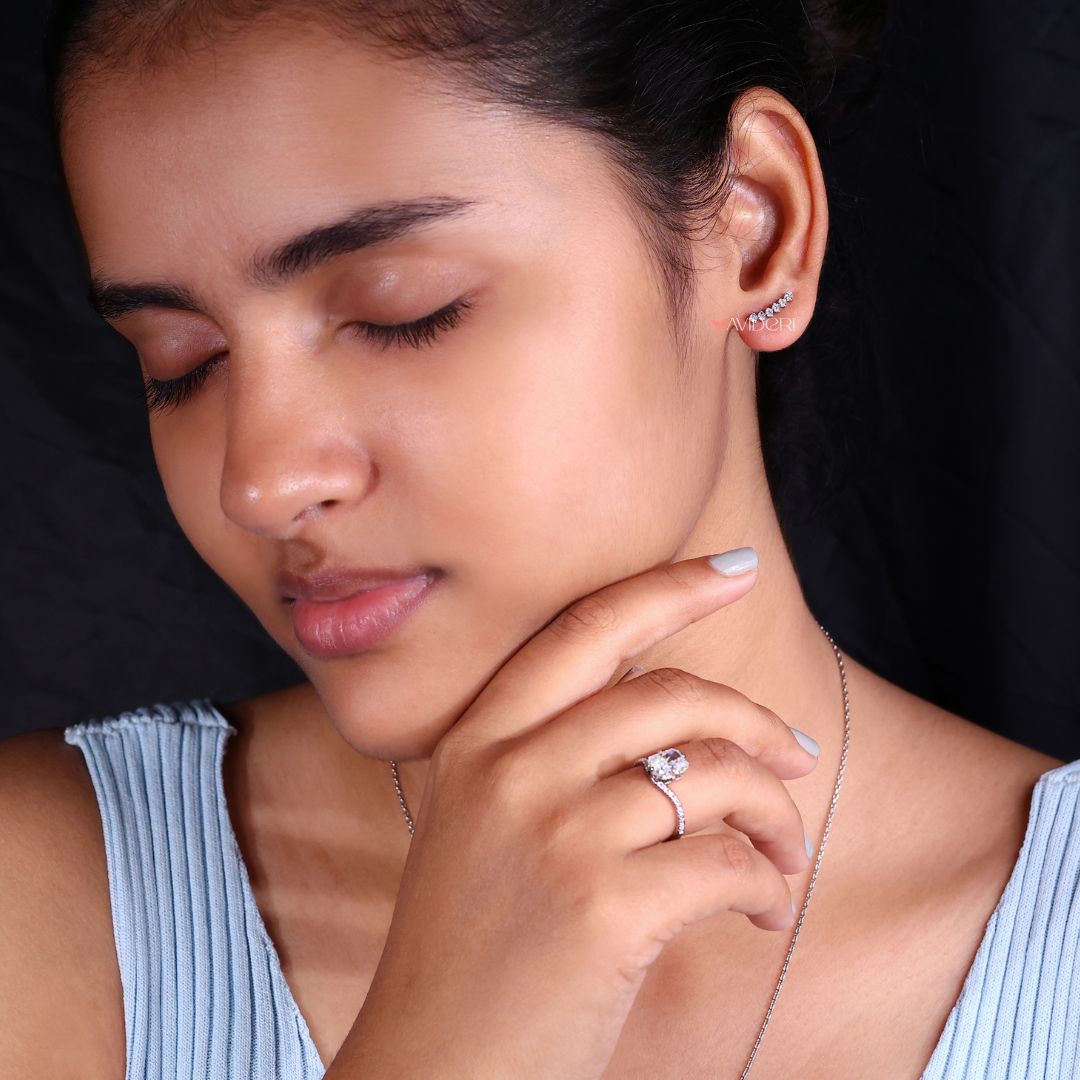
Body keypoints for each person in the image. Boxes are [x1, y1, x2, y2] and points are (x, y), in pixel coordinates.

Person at [2, 1, 1077, 1077]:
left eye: (400, 310)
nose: (259, 481)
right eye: (180, 363)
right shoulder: (37, 903)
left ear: (755, 225)